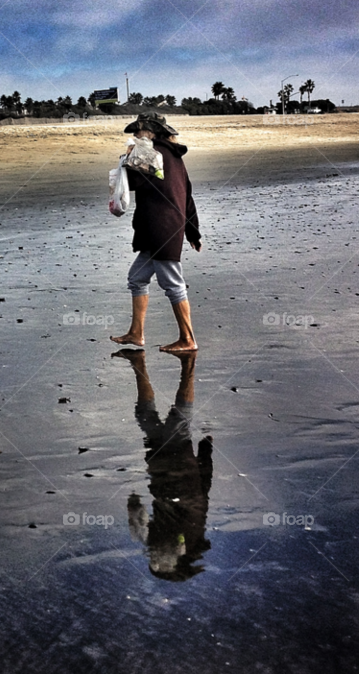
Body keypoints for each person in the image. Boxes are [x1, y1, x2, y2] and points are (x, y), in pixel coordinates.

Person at [113, 348, 213, 580]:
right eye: (157, 560)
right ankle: (188, 363)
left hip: (162, 466)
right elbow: (203, 488)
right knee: (174, 418)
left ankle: (141, 364)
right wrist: (205, 449)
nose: (153, 557)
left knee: (147, 416)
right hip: (173, 464)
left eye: (153, 559)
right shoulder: (187, 533)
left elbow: (138, 515)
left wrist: (206, 449)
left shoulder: (174, 537)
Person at [110, 111, 201, 352]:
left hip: (162, 228)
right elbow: (187, 196)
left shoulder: (153, 154)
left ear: (150, 132)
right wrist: (193, 232)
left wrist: (128, 160)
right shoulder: (174, 156)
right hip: (164, 228)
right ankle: (136, 333)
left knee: (173, 284)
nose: (136, 135)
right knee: (137, 278)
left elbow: (135, 183)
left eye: (138, 131)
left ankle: (188, 339)